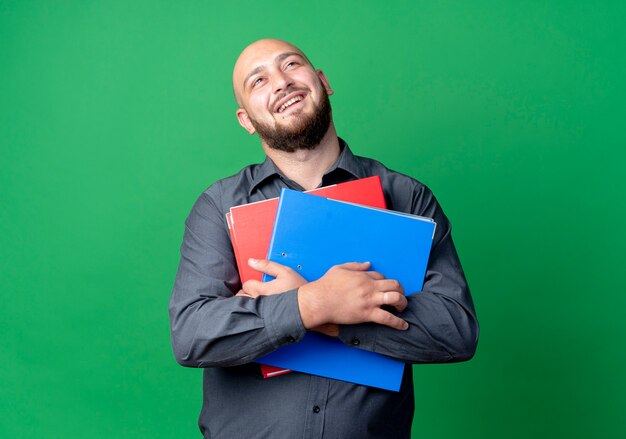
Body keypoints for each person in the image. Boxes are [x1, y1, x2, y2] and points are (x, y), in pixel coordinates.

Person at [169, 38, 479, 439]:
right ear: (246, 120)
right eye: (258, 80)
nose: (280, 82)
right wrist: (311, 304)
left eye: (291, 64)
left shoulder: (406, 197)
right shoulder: (219, 207)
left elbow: (456, 331)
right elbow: (192, 336)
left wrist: (340, 319)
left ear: (321, 81)